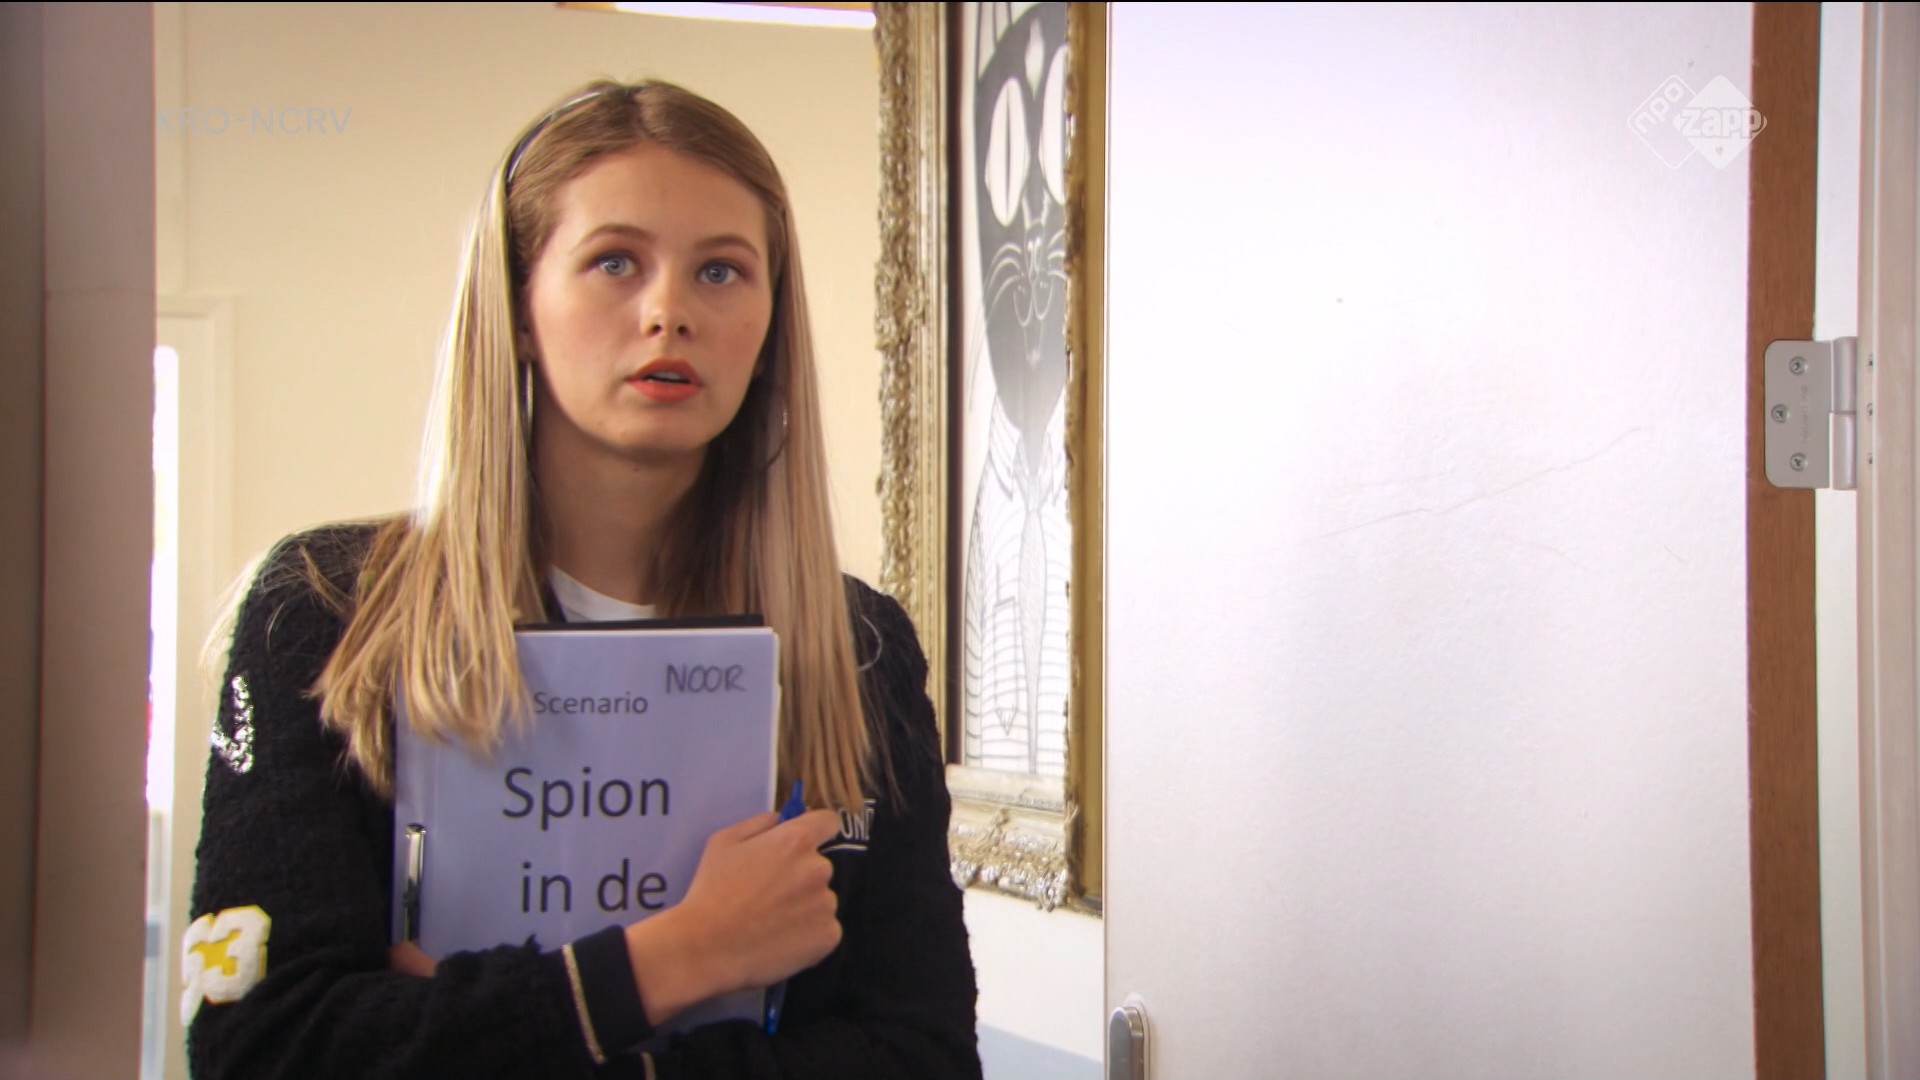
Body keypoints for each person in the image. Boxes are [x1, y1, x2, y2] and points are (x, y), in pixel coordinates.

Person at [183, 78, 981, 1080]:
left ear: (770, 324)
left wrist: (470, 1039)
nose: (669, 312)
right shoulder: (324, 611)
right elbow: (262, 1051)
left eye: (722, 271)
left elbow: (924, 1058)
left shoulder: (858, 647)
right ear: (519, 308)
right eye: (614, 262)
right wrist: (679, 956)